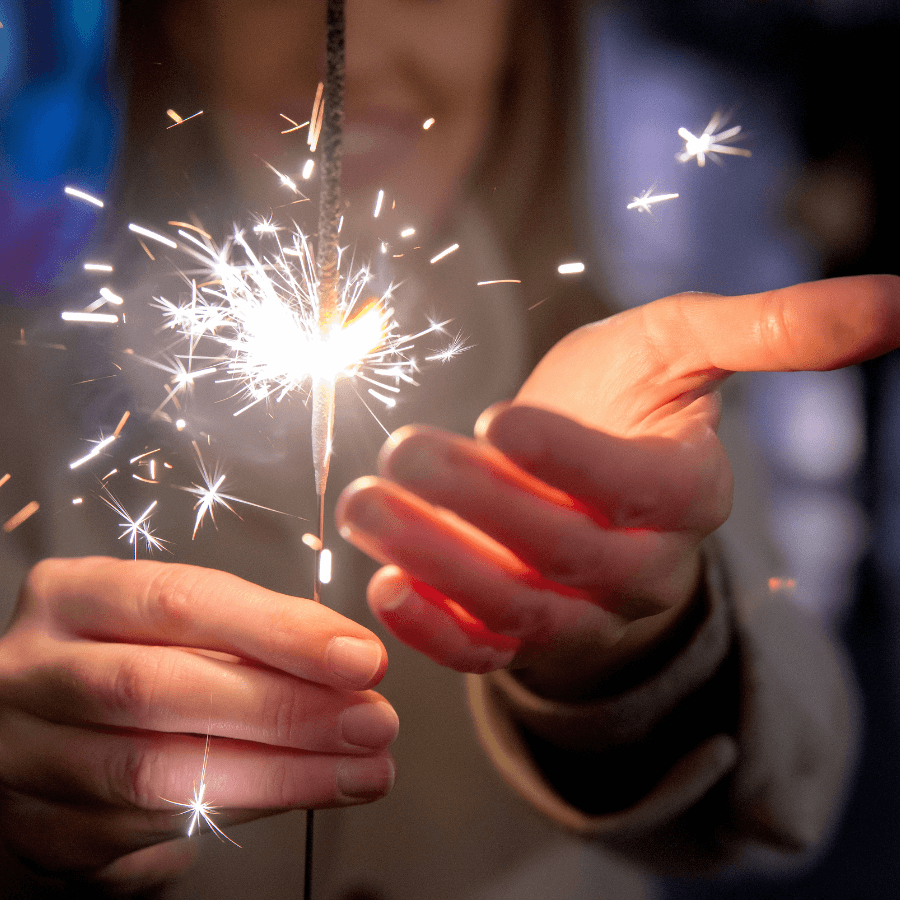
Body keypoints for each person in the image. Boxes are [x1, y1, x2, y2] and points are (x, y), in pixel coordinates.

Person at [0, 1, 895, 897]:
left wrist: (640, 650)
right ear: (185, 21)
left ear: (522, 30)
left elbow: (788, 793)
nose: (363, 50)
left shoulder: (640, 395)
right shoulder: (25, 397)